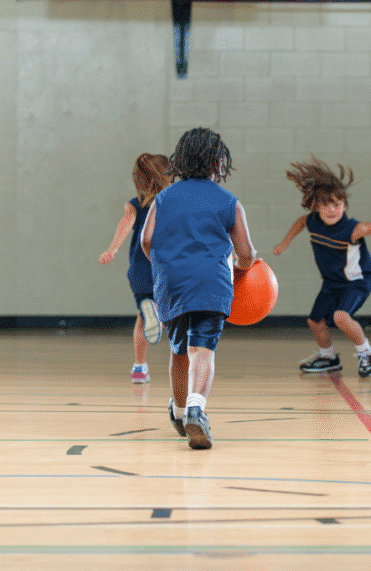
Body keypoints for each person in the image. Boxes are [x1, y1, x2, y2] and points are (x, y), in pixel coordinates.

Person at [141, 127, 256, 450]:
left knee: (179, 350)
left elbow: (147, 240)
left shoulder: (164, 198)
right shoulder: (229, 201)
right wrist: (243, 265)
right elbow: (246, 254)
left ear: (180, 163)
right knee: (202, 350)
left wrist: (163, 265)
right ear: (218, 164)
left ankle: (179, 413)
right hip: (211, 283)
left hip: (171, 284)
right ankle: (196, 407)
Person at [273, 156, 371, 378]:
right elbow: (300, 222)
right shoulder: (313, 222)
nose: (332, 210)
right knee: (315, 321)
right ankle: (328, 358)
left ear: (344, 205)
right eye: (326, 205)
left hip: (357, 282)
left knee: (341, 317)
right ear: (316, 206)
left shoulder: (352, 229)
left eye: (337, 205)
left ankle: (367, 353)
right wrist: (285, 243)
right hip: (331, 283)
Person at [99, 153, 171, 383]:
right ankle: (158, 312)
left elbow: (125, 223)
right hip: (166, 267)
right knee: (171, 312)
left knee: (142, 317)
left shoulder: (136, 204)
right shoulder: (172, 202)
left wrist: (112, 249)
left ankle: (139, 368)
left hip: (140, 269)